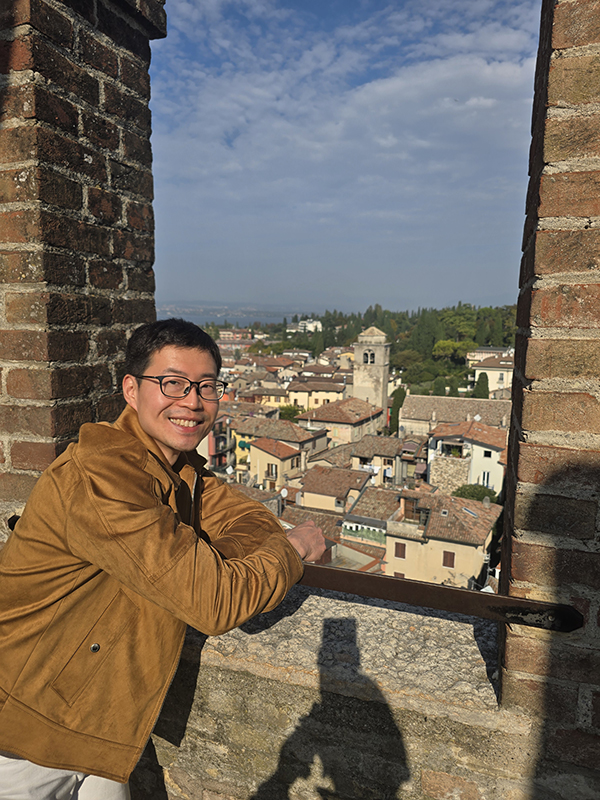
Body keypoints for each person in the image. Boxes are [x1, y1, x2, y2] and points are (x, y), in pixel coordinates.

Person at [0, 319, 325, 800]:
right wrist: (293, 549)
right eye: (172, 383)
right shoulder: (102, 474)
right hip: (25, 736)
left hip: (98, 729)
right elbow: (214, 603)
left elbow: (251, 520)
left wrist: (202, 562)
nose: (192, 402)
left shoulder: (178, 471)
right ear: (131, 390)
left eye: (207, 386)